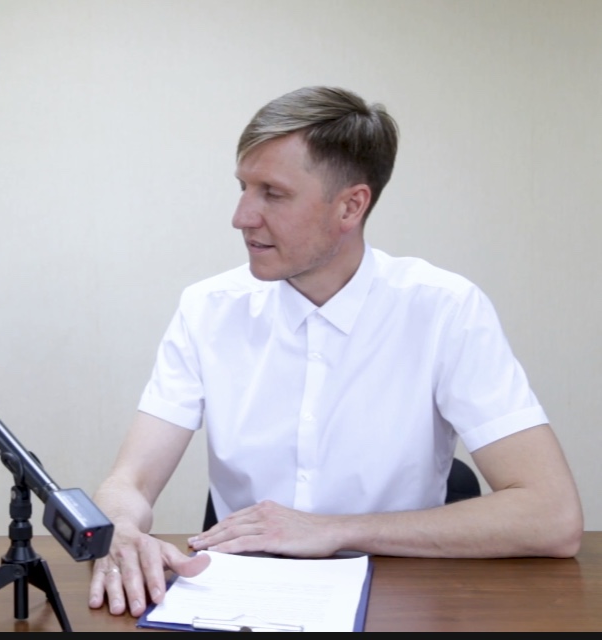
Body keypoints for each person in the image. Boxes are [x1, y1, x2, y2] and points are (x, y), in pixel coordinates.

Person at [88, 87, 583, 617]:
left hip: (401, 599)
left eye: (273, 194)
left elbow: (551, 517)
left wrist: (334, 530)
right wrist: (121, 527)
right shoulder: (207, 309)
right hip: (240, 602)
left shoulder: (444, 309)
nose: (242, 216)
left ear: (351, 206)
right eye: (243, 187)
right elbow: (130, 481)